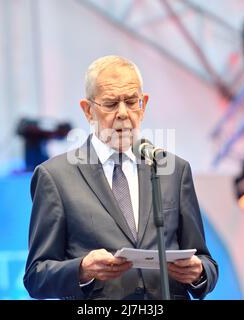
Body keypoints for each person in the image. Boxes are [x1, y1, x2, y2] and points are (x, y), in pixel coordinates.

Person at [23, 55, 218, 300]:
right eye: (111, 104)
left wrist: (198, 272)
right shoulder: (56, 177)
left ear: (143, 104)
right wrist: (82, 269)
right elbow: (36, 277)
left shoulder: (172, 170)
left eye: (131, 102)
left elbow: (206, 263)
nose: (123, 113)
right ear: (88, 110)